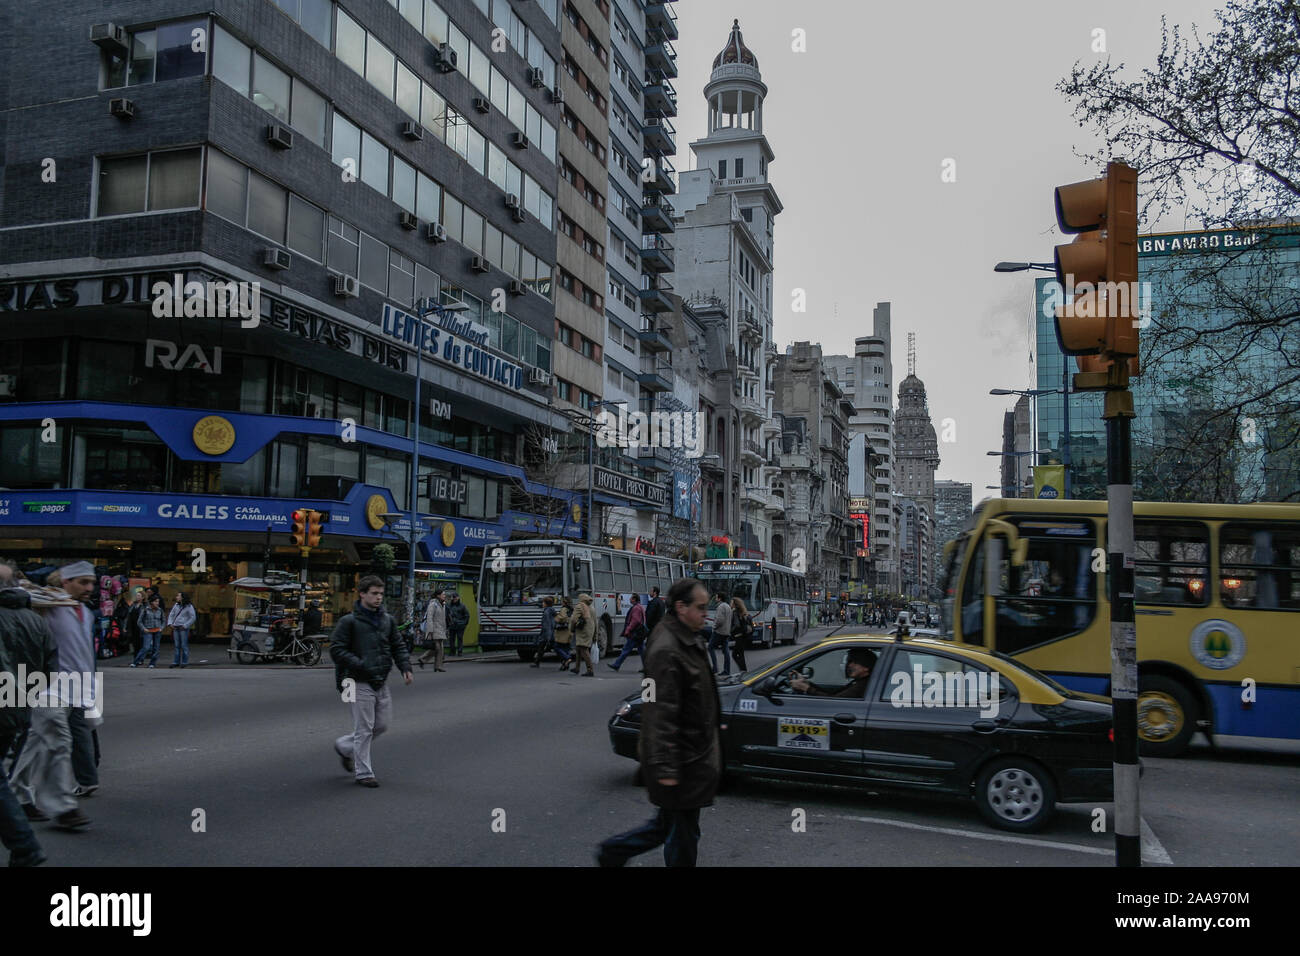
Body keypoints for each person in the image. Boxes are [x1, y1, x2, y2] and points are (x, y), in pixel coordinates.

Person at [597, 578, 721, 867]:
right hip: (681, 758)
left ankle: (613, 852)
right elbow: (656, 708)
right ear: (681, 607)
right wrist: (665, 764)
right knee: (682, 837)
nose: (707, 613)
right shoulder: (666, 648)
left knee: (668, 828)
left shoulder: (687, 637)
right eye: (701, 608)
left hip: (691, 755)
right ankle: (613, 851)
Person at [10, 561, 98, 830]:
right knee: (59, 742)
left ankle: (16, 795)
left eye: (91, 582)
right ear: (65, 582)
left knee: (34, 746)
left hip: (77, 690)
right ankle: (63, 808)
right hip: (48, 689)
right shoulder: (49, 607)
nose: (89, 588)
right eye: (83, 582)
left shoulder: (85, 612)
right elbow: (22, 592)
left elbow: (84, 655)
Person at [329, 576, 413, 788]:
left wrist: (406, 667)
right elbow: (337, 649)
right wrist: (360, 663)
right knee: (364, 729)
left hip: (380, 679)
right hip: (357, 681)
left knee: (382, 725)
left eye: (380, 594)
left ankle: (344, 746)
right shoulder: (349, 622)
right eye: (374, 593)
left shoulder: (387, 620)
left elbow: (398, 645)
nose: (378, 598)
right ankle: (364, 773)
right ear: (362, 594)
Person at [0, 583, 57, 865]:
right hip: (19, 706)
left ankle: (25, 846)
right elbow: (51, 668)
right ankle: (24, 847)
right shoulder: (38, 621)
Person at [608, 593, 648, 672]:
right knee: (642, 650)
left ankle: (617, 664)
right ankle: (647, 666)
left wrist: (628, 629)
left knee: (626, 649)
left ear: (634, 599)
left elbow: (635, 621)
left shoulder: (636, 608)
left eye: (631, 598)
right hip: (639, 633)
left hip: (634, 633)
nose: (629, 599)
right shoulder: (640, 607)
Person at [417, 589, 447, 671]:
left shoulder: (443, 604)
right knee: (438, 648)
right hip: (434, 630)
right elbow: (429, 618)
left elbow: (442, 618)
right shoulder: (433, 604)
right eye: (443, 594)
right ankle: (437, 665)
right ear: (438, 595)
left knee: (438, 648)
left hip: (440, 629)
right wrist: (430, 631)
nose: (445, 596)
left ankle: (434, 664)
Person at [131, 594, 164, 668]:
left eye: (158, 601)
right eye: (156, 601)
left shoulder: (160, 610)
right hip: (148, 631)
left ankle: (152, 663)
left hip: (157, 631)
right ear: (151, 602)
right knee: (146, 647)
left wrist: (161, 628)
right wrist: (144, 629)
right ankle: (136, 662)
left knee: (156, 648)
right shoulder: (145, 609)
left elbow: (163, 620)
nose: (157, 603)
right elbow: (139, 621)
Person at [166, 591, 197, 669]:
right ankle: (176, 661)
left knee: (183, 645)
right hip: (176, 627)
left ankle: (184, 661)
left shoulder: (189, 606)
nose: (176, 597)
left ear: (182, 597)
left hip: (183, 628)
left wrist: (185, 625)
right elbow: (171, 614)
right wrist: (170, 623)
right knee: (177, 645)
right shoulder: (176, 605)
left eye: (178, 596)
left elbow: (193, 617)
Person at [570, 594, 597, 676]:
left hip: (583, 631)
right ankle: (577, 668)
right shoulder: (592, 607)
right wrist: (595, 635)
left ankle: (590, 670)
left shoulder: (580, 606)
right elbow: (596, 622)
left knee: (584, 649)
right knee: (578, 648)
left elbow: (573, 619)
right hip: (590, 630)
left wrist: (571, 629)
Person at [707, 594, 732, 676]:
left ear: (720, 598)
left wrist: (714, 627)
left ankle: (715, 668)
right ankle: (727, 670)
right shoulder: (728, 606)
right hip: (726, 631)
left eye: (717, 597)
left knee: (710, 647)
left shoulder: (720, 607)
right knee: (726, 651)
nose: (715, 599)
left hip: (719, 631)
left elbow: (719, 620)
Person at [532, 596, 557, 668]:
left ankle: (566, 659)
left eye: (543, 602)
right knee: (542, 648)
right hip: (550, 632)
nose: (542, 604)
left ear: (546, 604)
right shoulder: (552, 610)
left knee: (542, 647)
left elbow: (547, 624)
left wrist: (548, 636)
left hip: (546, 634)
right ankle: (537, 662)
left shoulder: (546, 612)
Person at [729, 597, 751, 673]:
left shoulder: (735, 612)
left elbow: (736, 624)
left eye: (731, 603)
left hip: (738, 635)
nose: (730, 604)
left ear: (735, 604)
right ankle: (743, 670)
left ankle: (743, 670)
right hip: (743, 635)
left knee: (734, 654)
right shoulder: (743, 611)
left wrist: (730, 631)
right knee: (741, 654)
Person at [553, 596, 575, 671]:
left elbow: (562, 618)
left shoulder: (564, 609)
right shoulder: (572, 609)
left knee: (557, 646)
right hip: (570, 630)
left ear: (564, 602)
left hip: (563, 631)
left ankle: (567, 658)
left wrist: (556, 617)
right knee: (566, 648)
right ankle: (565, 665)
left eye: (562, 601)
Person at [446, 592, 469, 656]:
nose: (454, 599)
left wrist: (464, 623)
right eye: (453, 597)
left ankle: (460, 652)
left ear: (458, 598)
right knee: (451, 639)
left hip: (460, 625)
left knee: (459, 638)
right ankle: (452, 651)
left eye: (455, 597)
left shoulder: (462, 606)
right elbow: (446, 615)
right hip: (452, 625)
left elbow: (467, 615)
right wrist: (448, 623)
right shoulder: (448, 605)